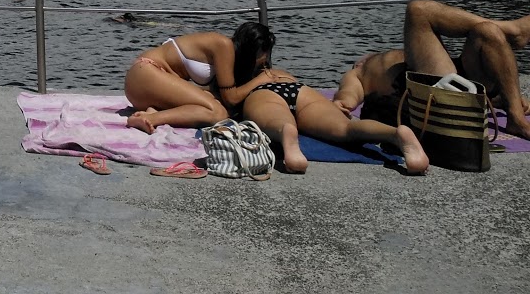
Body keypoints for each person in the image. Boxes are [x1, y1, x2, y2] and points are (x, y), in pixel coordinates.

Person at [224, 25, 428, 174]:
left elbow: (230, 100)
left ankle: (286, 134)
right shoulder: (277, 71)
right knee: (348, 130)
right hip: (299, 90)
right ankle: (395, 134)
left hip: (263, 95)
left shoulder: (236, 74)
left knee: (279, 122)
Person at [332, 0, 530, 139]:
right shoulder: (357, 72)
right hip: (428, 87)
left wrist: (505, 97)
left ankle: (515, 117)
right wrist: (344, 102)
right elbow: (348, 93)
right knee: (418, 11)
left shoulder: (401, 56)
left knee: (487, 32)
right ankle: (513, 31)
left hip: (457, 79)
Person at [123, 25, 251, 132]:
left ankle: (151, 113)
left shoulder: (226, 54)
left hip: (143, 85)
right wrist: (262, 79)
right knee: (218, 113)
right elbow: (231, 98)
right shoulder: (224, 44)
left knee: (213, 103)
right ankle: (152, 119)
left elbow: (219, 96)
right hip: (146, 72)